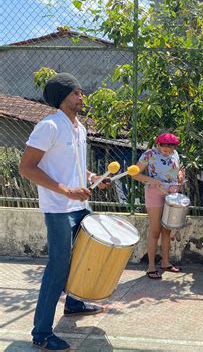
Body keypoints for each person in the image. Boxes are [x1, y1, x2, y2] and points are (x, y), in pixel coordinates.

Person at [19, 73, 108, 351]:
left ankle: (73, 303)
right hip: (59, 208)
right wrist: (66, 191)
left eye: (81, 92)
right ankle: (41, 333)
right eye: (76, 93)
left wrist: (93, 177)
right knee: (57, 268)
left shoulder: (79, 128)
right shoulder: (49, 126)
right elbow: (27, 168)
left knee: (81, 258)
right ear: (62, 97)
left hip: (80, 205)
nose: (82, 97)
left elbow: (73, 166)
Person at [133, 133, 185, 279]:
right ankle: (151, 267)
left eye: (170, 147)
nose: (167, 149)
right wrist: (150, 180)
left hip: (171, 195)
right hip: (154, 193)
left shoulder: (175, 154)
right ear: (158, 144)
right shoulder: (149, 154)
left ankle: (165, 263)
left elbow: (178, 169)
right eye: (164, 146)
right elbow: (134, 173)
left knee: (167, 230)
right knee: (155, 230)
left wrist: (180, 176)